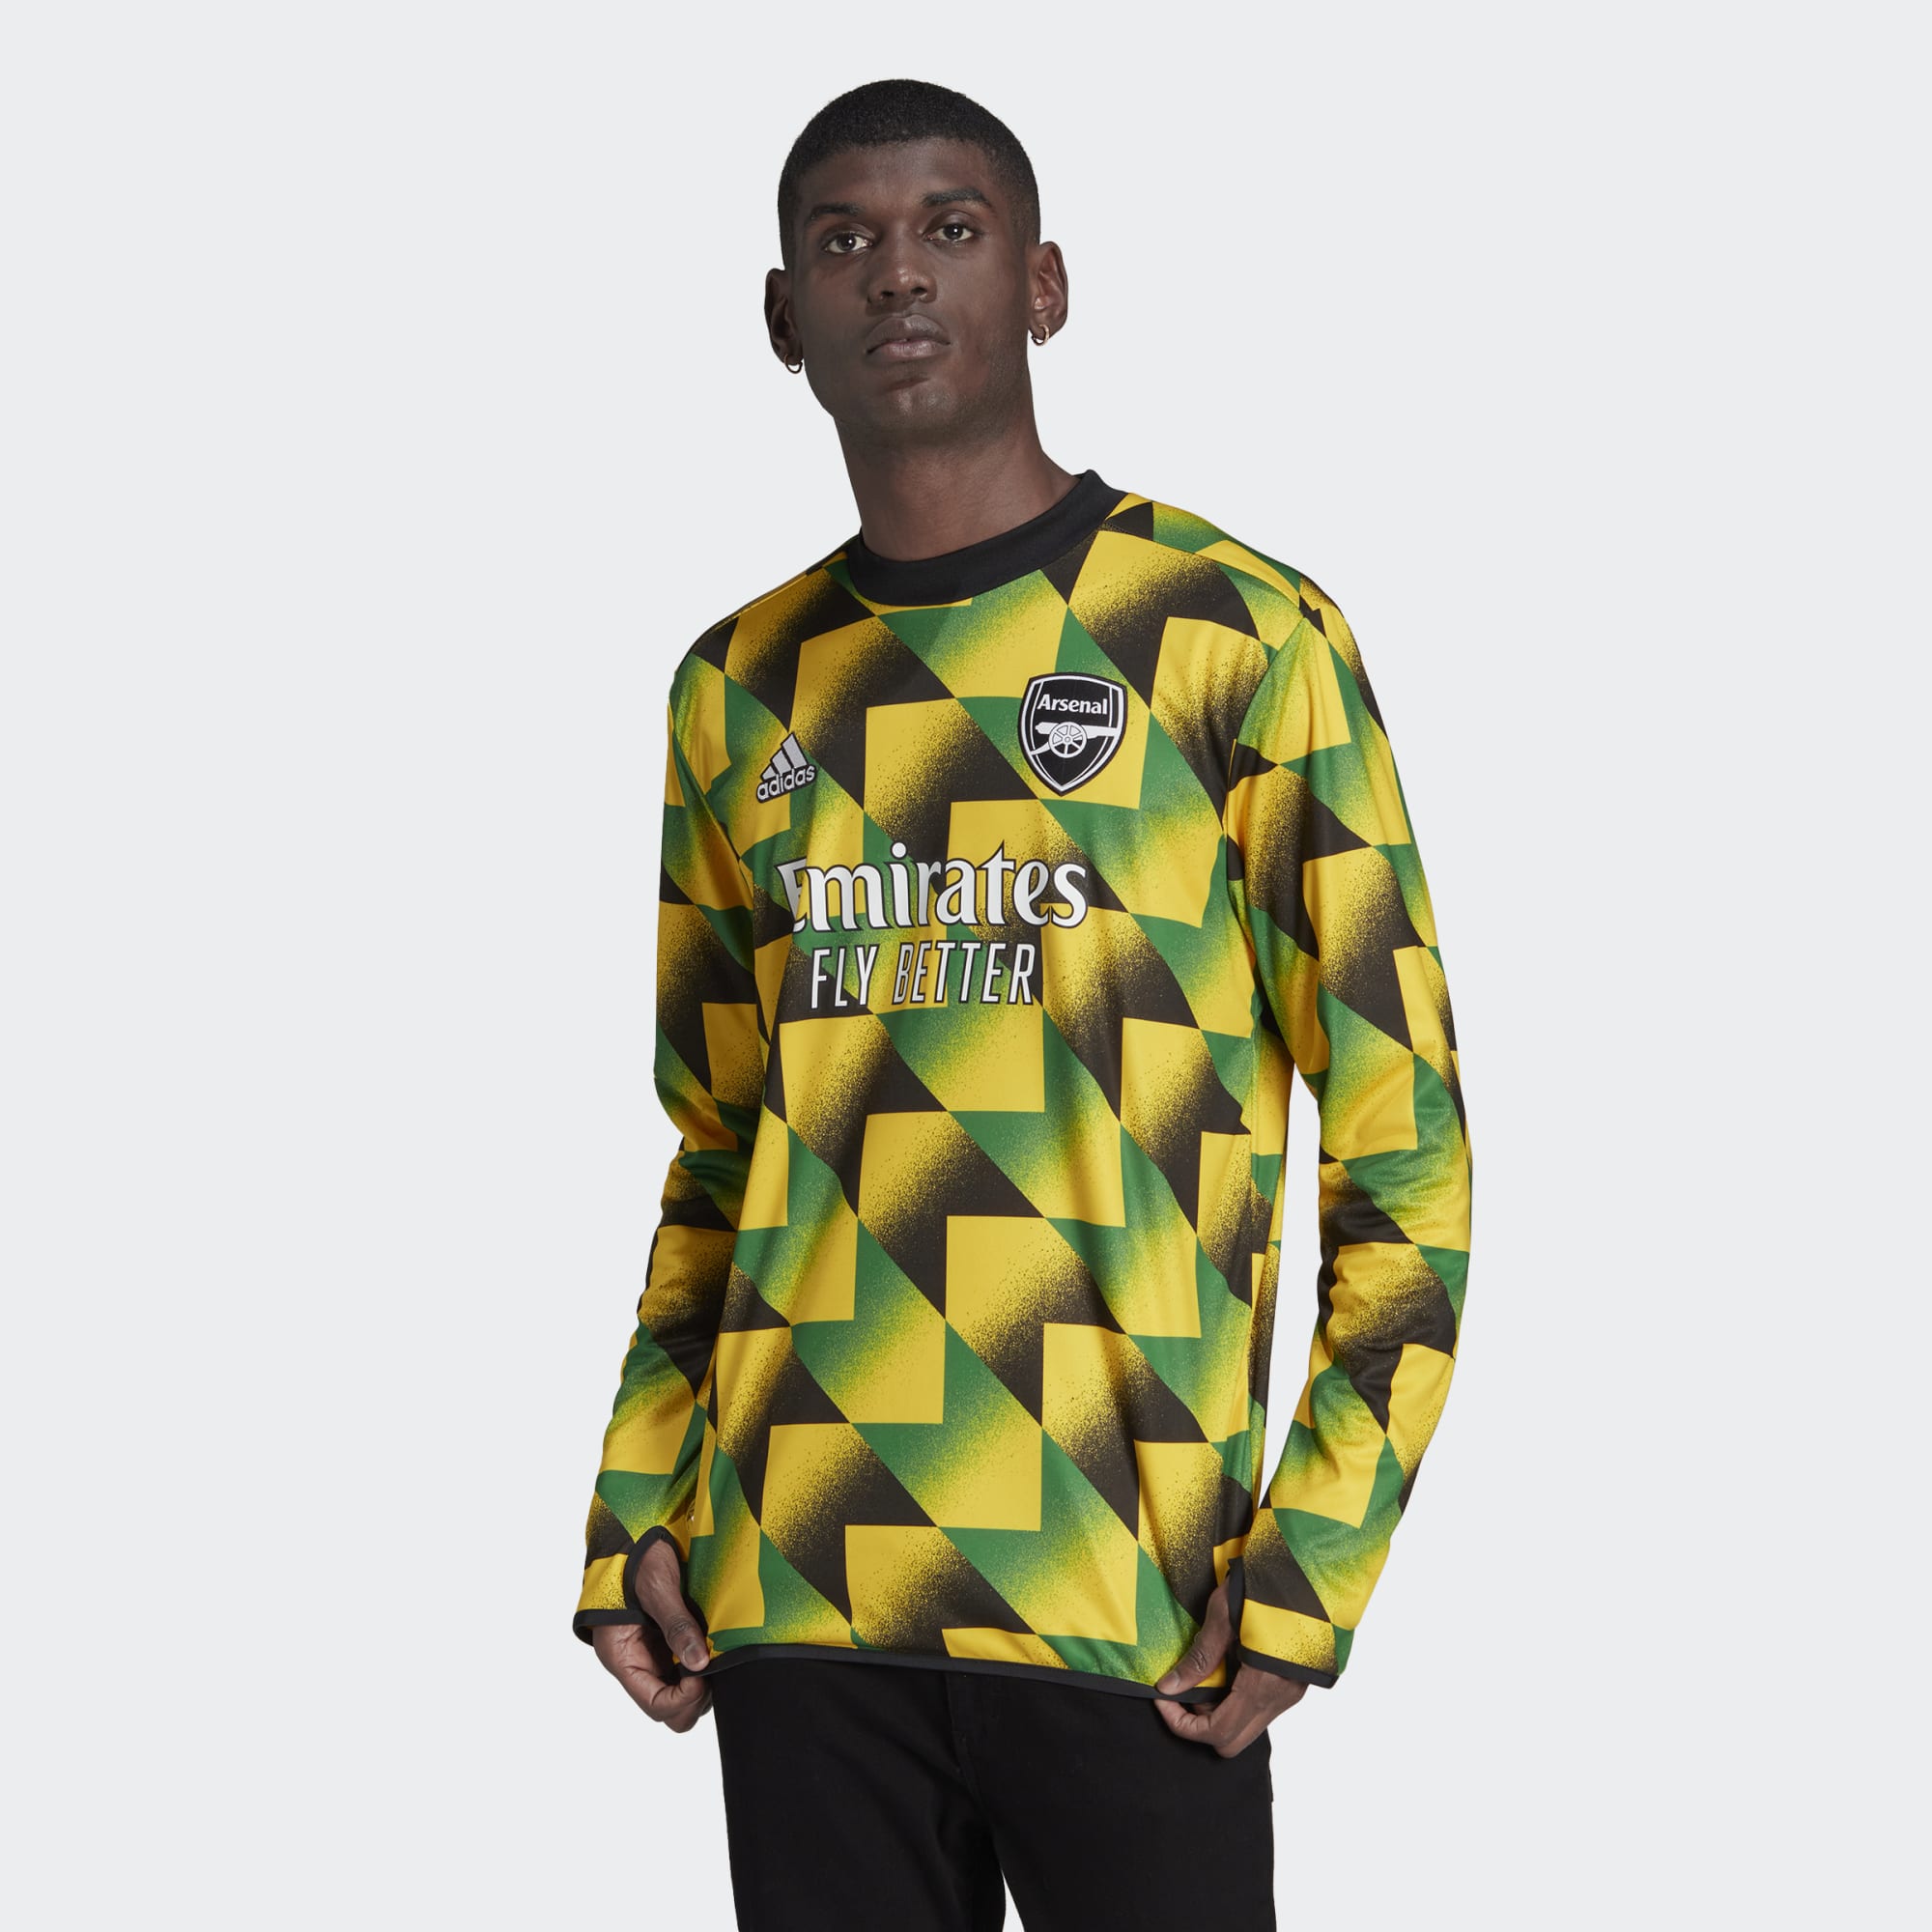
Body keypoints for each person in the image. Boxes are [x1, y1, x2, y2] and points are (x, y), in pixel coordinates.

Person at [571, 78, 1472, 1932]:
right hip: (800, 1595)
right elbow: (720, 1154)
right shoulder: (738, 690)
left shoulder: (1233, 635)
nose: (897, 274)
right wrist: (638, 1496)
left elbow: (1408, 1152)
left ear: (1044, 285)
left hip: (1137, 1607)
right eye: (845, 241)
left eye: (951, 229)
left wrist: (1315, 1557)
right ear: (783, 317)